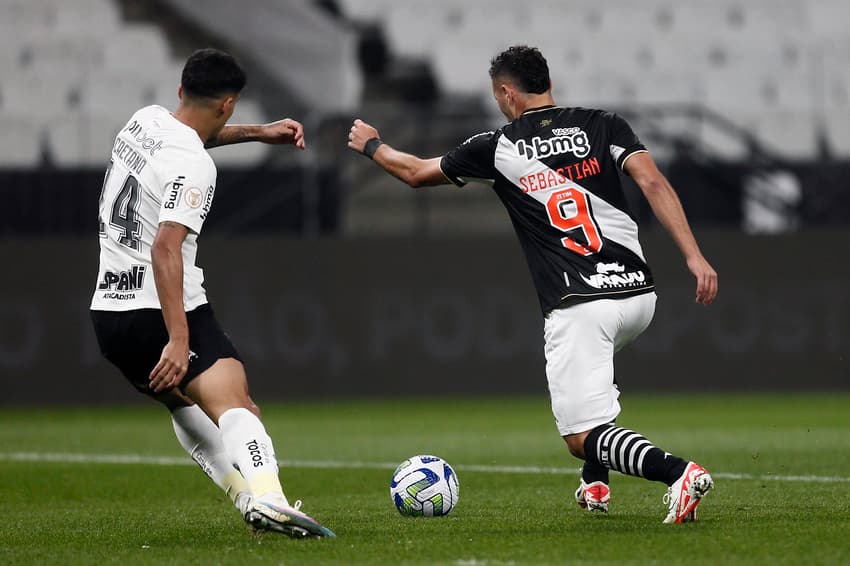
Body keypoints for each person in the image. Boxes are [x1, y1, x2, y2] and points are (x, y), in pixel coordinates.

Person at [347, 45, 719, 523]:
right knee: (595, 397)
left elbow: (416, 173)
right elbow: (652, 182)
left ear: (506, 93)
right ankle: (595, 482)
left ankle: (679, 474)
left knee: (580, 435)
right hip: (638, 297)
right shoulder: (603, 122)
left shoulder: (496, 146)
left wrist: (373, 145)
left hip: (580, 302)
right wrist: (693, 255)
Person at [90, 48, 334, 538]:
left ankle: (248, 501)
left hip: (110, 315)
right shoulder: (197, 167)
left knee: (183, 403)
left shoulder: (144, 122)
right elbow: (165, 249)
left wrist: (261, 133)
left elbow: (192, 140)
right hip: (161, 309)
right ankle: (272, 499)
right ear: (228, 104)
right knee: (237, 406)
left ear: (181, 90)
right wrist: (178, 339)